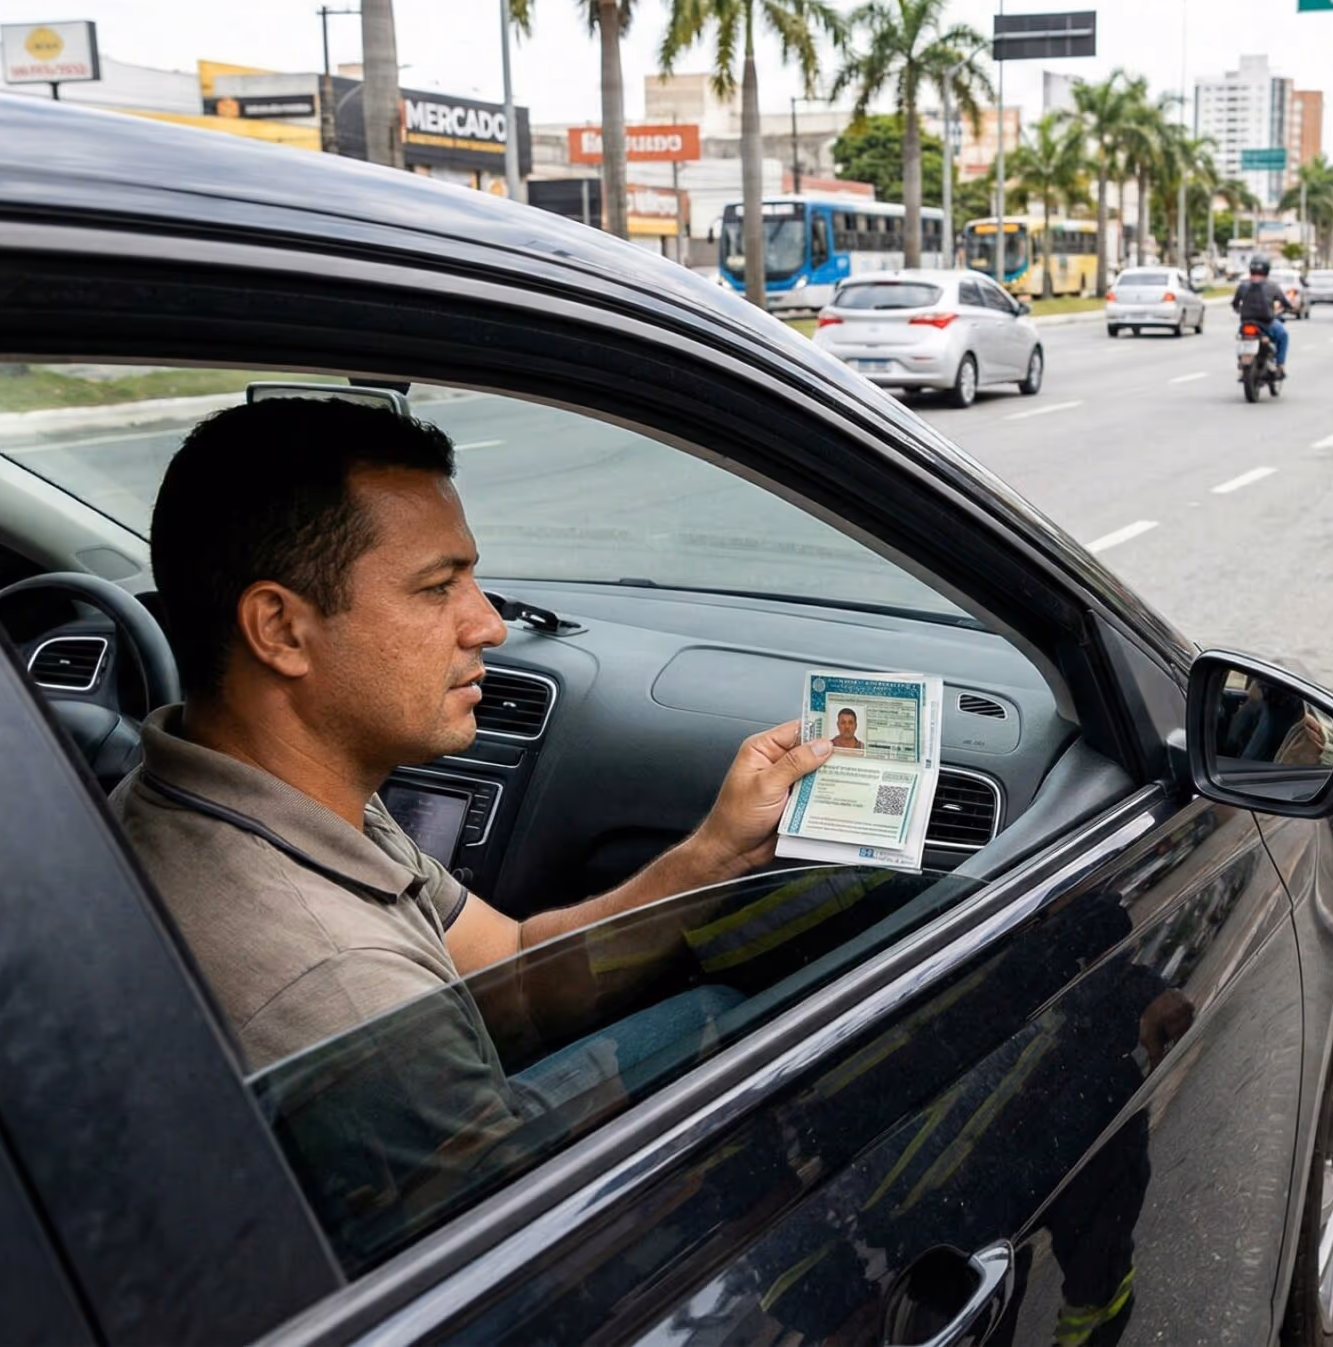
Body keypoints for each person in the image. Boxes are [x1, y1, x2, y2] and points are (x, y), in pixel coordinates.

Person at [113, 397, 835, 1126]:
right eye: (437, 587)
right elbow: (512, 1191)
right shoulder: (347, 986)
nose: (490, 625)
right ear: (281, 630)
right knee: (738, 1020)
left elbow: (514, 973)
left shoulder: (242, 799)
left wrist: (716, 854)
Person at [1230, 255, 1298, 374]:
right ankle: (1280, 365)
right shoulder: (1272, 286)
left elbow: (1235, 304)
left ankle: (1242, 361)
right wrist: (1291, 308)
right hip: (1266, 324)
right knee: (1283, 335)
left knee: (1242, 337)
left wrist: (1241, 310)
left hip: (1246, 324)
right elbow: (1285, 303)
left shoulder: (1243, 285)